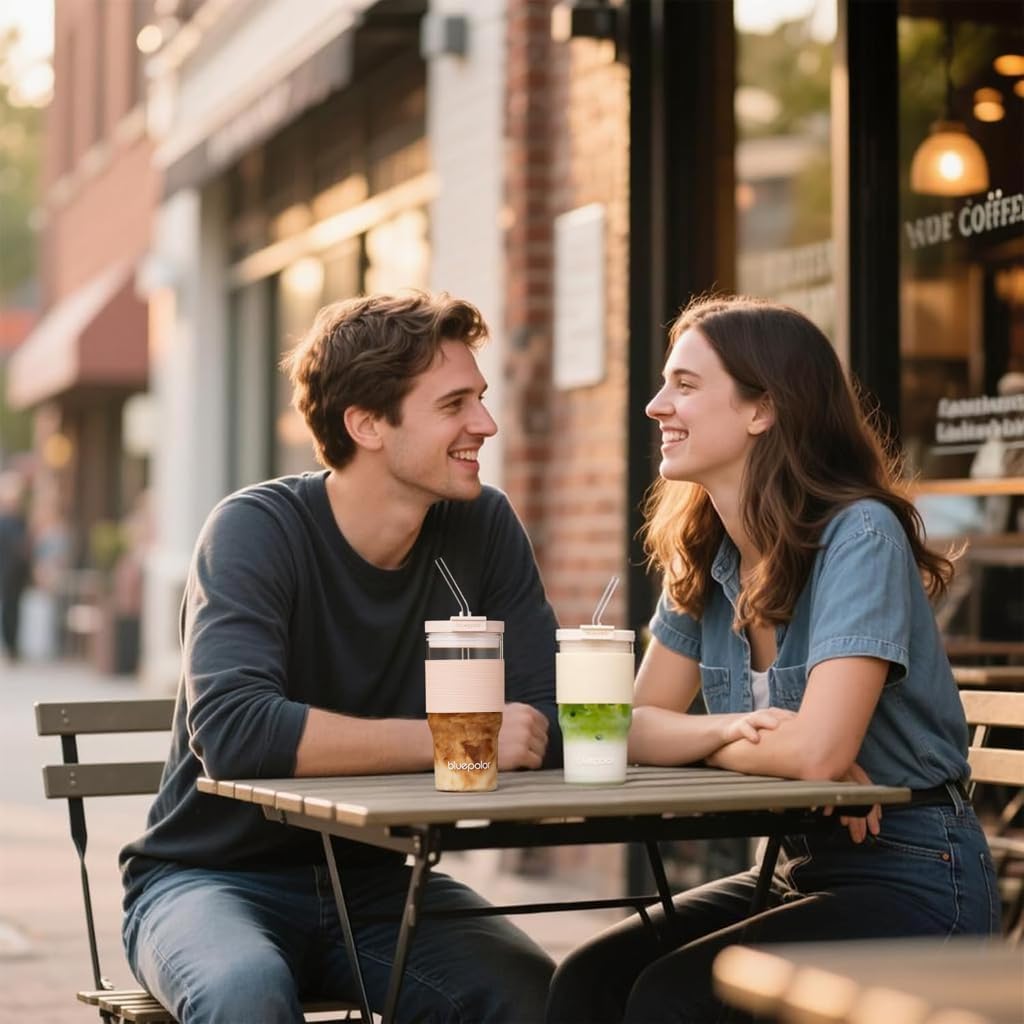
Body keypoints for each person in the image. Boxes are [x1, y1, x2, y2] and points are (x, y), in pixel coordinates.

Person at [546, 295, 1000, 1024]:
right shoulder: (708, 555)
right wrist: (738, 736)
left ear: (764, 409)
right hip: (802, 868)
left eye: (686, 385)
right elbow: (622, 727)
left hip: (916, 879)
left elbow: (820, 753)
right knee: (586, 980)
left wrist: (795, 752)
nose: (656, 405)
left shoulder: (860, 536)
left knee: (675, 997)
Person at [120, 292, 561, 1023]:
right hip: (211, 879)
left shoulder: (482, 526)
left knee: (533, 994)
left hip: (383, 883)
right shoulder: (255, 530)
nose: (484, 424)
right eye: (455, 404)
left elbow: (546, 717)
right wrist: (459, 737)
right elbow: (235, 734)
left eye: (480, 400)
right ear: (365, 424)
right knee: (244, 992)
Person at [0, 470, 30, 662]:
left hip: (14, 574)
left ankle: (12, 647)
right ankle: (10, 647)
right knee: (10, 611)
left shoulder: (19, 521)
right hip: (8, 573)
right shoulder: (8, 522)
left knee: (13, 611)